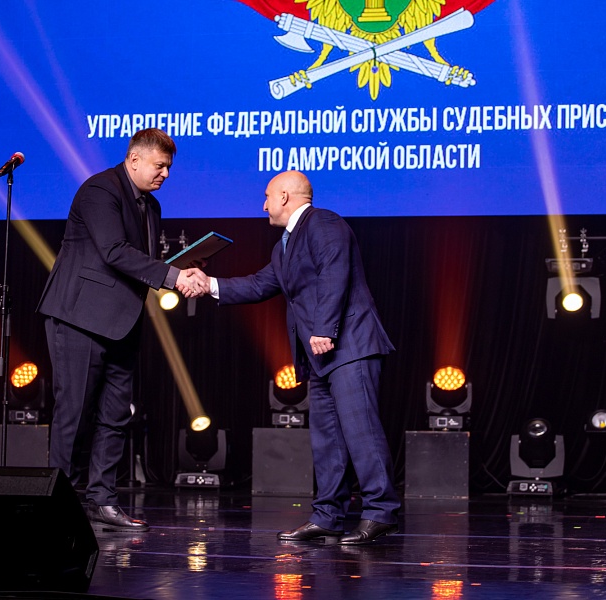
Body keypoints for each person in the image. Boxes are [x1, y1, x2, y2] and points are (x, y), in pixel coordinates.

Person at [199, 170, 400, 544]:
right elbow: (259, 284)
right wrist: (208, 284)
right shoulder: (283, 248)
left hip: (349, 346)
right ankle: (328, 515)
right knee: (327, 440)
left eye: (267, 197)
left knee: (361, 431)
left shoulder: (322, 222)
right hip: (321, 356)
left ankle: (381, 512)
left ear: (285, 197)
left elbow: (335, 270)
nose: (263, 205)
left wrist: (324, 328)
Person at [37, 128, 202, 531]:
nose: (165, 174)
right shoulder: (100, 190)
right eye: (159, 165)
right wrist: (172, 276)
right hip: (79, 317)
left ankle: (103, 501)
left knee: (115, 415)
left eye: (169, 167)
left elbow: (141, 261)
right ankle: (59, 502)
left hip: (121, 322)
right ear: (134, 159)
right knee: (74, 413)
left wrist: (184, 268)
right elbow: (113, 251)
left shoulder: (151, 206)